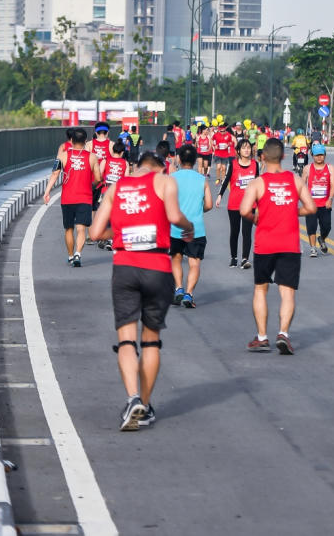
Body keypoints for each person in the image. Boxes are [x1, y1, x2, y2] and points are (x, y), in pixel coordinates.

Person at [90, 149, 194, 431]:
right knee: (150, 340)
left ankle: (132, 397)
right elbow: (174, 216)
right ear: (160, 167)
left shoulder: (116, 187)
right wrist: (189, 227)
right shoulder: (164, 181)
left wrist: (120, 234)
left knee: (126, 339)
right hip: (157, 266)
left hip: (124, 266)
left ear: (136, 166)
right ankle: (145, 407)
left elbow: (95, 233)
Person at [240, 138, 316, 354]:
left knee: (260, 289)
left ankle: (262, 337)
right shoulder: (295, 180)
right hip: (290, 244)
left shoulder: (257, 183)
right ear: (283, 156)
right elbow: (311, 208)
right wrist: (293, 211)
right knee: (288, 293)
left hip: (265, 244)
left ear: (262, 157)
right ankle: (283, 333)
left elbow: (244, 210)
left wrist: (257, 218)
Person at [43, 127, 101, 267]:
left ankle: (70, 256)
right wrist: (91, 186)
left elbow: (55, 174)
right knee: (81, 229)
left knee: (68, 228)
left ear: (71, 140)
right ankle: (78, 254)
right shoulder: (92, 157)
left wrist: (47, 191)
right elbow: (98, 178)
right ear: (86, 141)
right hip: (85, 197)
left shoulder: (63, 155)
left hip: (67, 198)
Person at [170, 144, 213, 308]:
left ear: (179, 159)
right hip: (196, 229)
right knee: (194, 263)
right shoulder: (202, 179)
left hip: (175, 228)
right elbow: (208, 204)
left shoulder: (172, 178)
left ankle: (178, 288)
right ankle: (189, 293)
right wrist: (197, 209)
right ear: (195, 161)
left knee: (176, 258)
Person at [216, 138, 258, 268]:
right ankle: (233, 257)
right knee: (234, 232)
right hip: (234, 204)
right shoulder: (233, 164)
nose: (247, 150)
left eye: (248, 148)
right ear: (238, 151)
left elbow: (258, 184)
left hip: (250, 204)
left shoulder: (255, 164)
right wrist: (219, 195)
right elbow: (226, 180)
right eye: (243, 148)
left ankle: (245, 259)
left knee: (247, 232)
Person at [302, 144, 334, 256]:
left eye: (321, 155)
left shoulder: (330, 168)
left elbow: (333, 185)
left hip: (325, 204)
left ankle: (322, 238)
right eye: (316, 155)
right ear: (312, 156)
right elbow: (302, 185)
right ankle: (313, 248)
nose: (319, 157)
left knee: (327, 226)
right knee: (311, 226)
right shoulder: (307, 168)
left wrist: (330, 199)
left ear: (325, 155)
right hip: (311, 205)